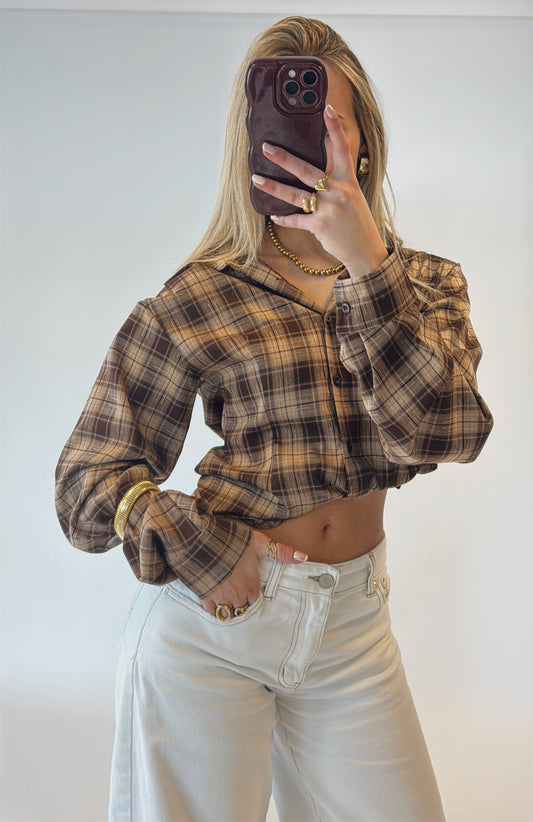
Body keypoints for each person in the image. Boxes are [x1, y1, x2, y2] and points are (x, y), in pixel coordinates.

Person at [55, 15, 493, 822]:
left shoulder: (424, 284)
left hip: (354, 635)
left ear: (362, 141)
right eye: (284, 116)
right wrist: (199, 544)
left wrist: (368, 264)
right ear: (250, 141)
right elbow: (86, 484)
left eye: (326, 117)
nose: (307, 134)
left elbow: (447, 432)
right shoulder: (201, 295)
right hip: (213, 629)